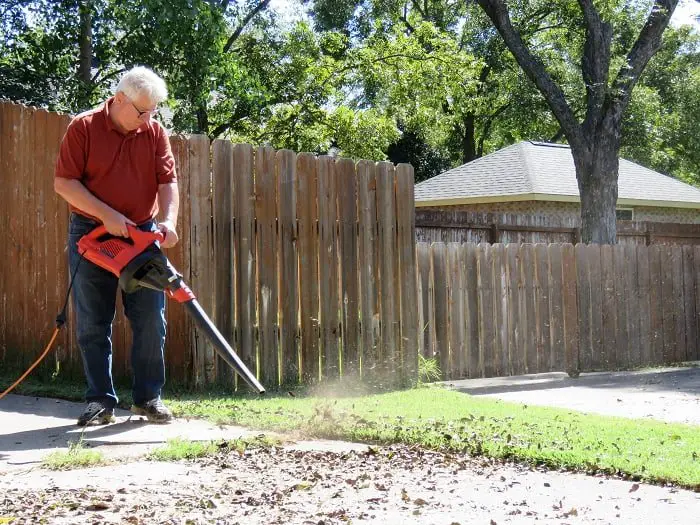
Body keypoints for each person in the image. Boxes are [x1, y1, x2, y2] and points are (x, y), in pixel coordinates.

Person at [54, 66, 179, 426]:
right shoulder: (83, 127)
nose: (148, 118)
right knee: (93, 320)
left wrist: (168, 222)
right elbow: (64, 183)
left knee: (151, 318)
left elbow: (168, 182)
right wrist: (106, 214)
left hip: (141, 235)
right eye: (142, 110)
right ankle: (100, 402)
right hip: (91, 233)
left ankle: (148, 398)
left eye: (153, 111)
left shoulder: (154, 132)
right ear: (119, 99)